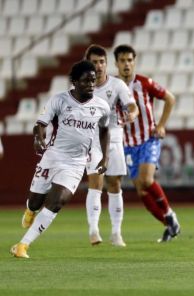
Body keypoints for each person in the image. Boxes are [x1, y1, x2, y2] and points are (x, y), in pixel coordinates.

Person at [10, 60, 111, 258]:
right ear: (74, 81)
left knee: (57, 202)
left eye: (93, 80)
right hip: (53, 157)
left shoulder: (102, 107)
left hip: (76, 163)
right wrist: (38, 138)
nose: (91, 84)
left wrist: (104, 158)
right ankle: (30, 211)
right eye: (85, 81)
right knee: (35, 201)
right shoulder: (59, 100)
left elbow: (105, 130)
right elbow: (40, 124)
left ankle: (22, 245)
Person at [113, 44, 180, 243]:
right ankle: (170, 226)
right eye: (123, 60)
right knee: (142, 192)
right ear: (116, 63)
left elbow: (170, 98)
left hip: (149, 138)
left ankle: (169, 214)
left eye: (130, 60)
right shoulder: (112, 87)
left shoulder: (144, 83)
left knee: (147, 180)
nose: (127, 64)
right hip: (127, 145)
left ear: (134, 62)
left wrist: (161, 125)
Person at [83, 44, 139, 247]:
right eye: (94, 62)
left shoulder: (117, 86)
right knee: (95, 182)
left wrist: (132, 114)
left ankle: (116, 233)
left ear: (106, 64)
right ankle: (94, 230)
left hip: (114, 137)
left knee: (114, 184)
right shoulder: (81, 87)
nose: (98, 66)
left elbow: (132, 106)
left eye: (101, 62)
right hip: (91, 139)